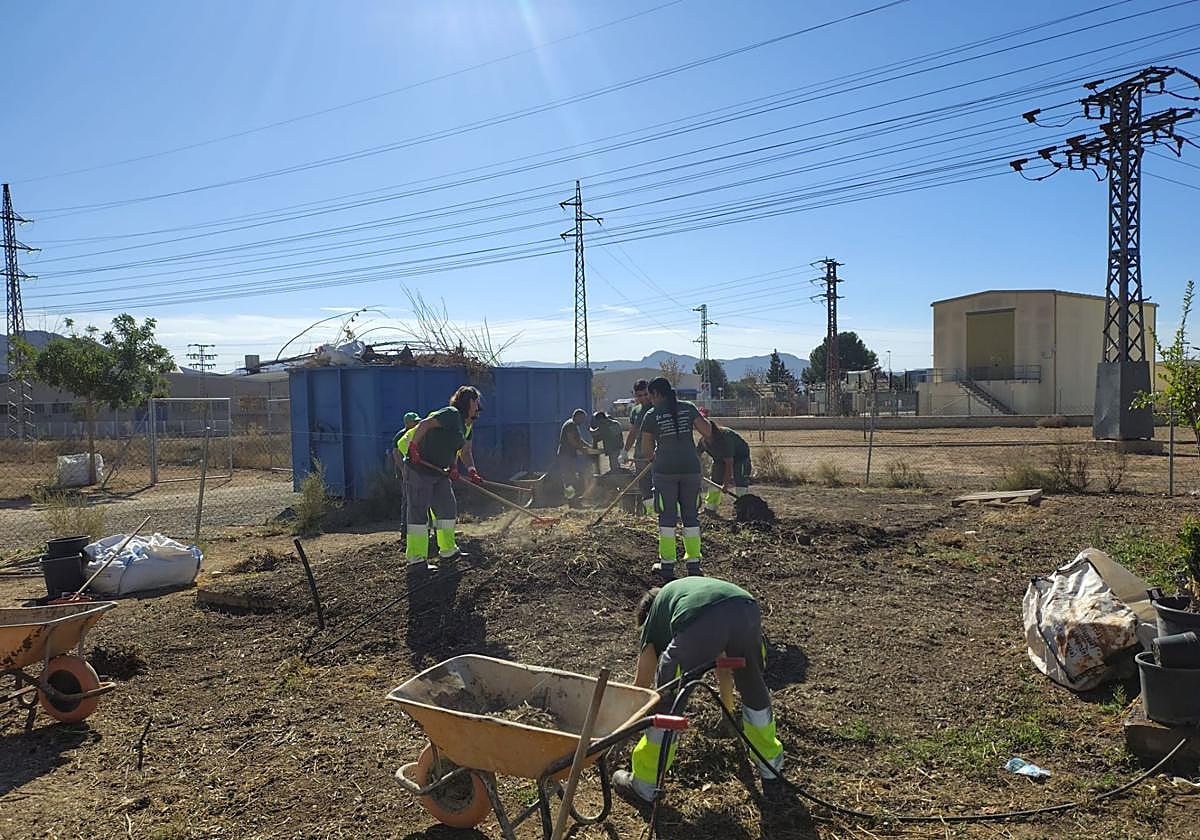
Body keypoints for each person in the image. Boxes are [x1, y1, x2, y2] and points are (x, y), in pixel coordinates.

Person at [611, 577, 784, 806]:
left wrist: (619, 734)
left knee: (667, 698)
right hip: (746, 608)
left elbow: (642, 686)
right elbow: (726, 667)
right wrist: (728, 714)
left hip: (705, 617)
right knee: (752, 685)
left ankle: (644, 782)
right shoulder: (687, 592)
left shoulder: (655, 618)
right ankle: (770, 767)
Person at [639, 377, 726, 577]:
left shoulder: (652, 415)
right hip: (691, 469)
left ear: (657, 394)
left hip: (665, 471)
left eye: (651, 395)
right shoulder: (688, 407)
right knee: (690, 516)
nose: (650, 399)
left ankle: (667, 564)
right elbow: (707, 431)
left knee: (667, 516)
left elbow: (646, 450)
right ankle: (694, 564)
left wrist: (656, 457)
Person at [404, 386, 485, 569]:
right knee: (418, 512)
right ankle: (416, 559)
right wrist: (414, 447)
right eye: (476, 401)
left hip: (440, 471)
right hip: (419, 467)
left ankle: (448, 550)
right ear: (469, 401)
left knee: (447, 508)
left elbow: (464, 451)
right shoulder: (451, 414)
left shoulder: (466, 426)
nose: (478, 406)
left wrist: (469, 470)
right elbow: (425, 424)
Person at [697, 420, 751, 516]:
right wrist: (696, 470)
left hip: (740, 458)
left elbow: (729, 464)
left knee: (740, 482)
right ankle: (710, 508)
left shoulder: (725, 438)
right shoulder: (703, 441)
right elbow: (696, 456)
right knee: (715, 481)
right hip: (720, 459)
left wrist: (725, 485)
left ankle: (742, 510)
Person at [622, 380, 655, 515]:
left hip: (657, 455)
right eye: (639, 395)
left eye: (645, 394)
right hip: (640, 456)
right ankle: (652, 514)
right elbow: (633, 432)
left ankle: (668, 514)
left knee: (660, 485)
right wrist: (624, 451)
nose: (642, 398)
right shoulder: (636, 411)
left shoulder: (657, 408)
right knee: (645, 487)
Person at [393, 411, 421, 539]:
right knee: (407, 500)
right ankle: (404, 529)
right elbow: (396, 454)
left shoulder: (417, 433)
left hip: (416, 472)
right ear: (407, 423)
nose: (416, 423)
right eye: (414, 421)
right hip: (405, 473)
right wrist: (404, 470)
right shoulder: (401, 436)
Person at [557, 408, 593, 501]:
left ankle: (572, 498)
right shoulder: (570, 425)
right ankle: (571, 499)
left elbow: (579, 439)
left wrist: (589, 446)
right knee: (569, 478)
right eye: (582, 418)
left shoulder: (574, 425)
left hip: (569, 455)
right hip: (565, 455)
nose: (583, 421)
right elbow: (571, 440)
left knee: (572, 476)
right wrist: (582, 449)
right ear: (577, 416)